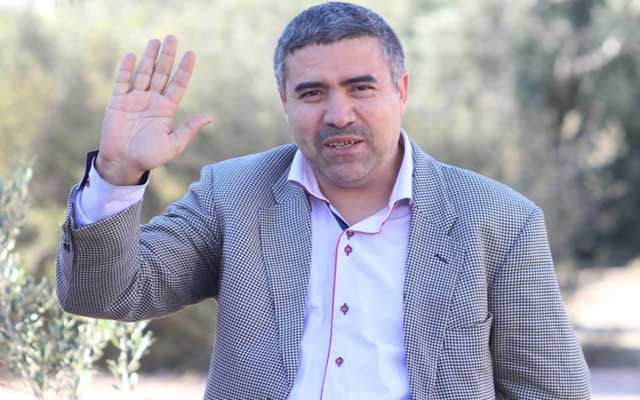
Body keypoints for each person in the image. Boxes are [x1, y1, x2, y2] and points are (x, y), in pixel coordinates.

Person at [56, 2, 591, 399]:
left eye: (361, 88)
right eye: (312, 93)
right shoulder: (233, 196)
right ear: (284, 101)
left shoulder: (499, 220)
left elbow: (551, 391)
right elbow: (104, 293)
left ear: (401, 91)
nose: (338, 114)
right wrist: (118, 172)